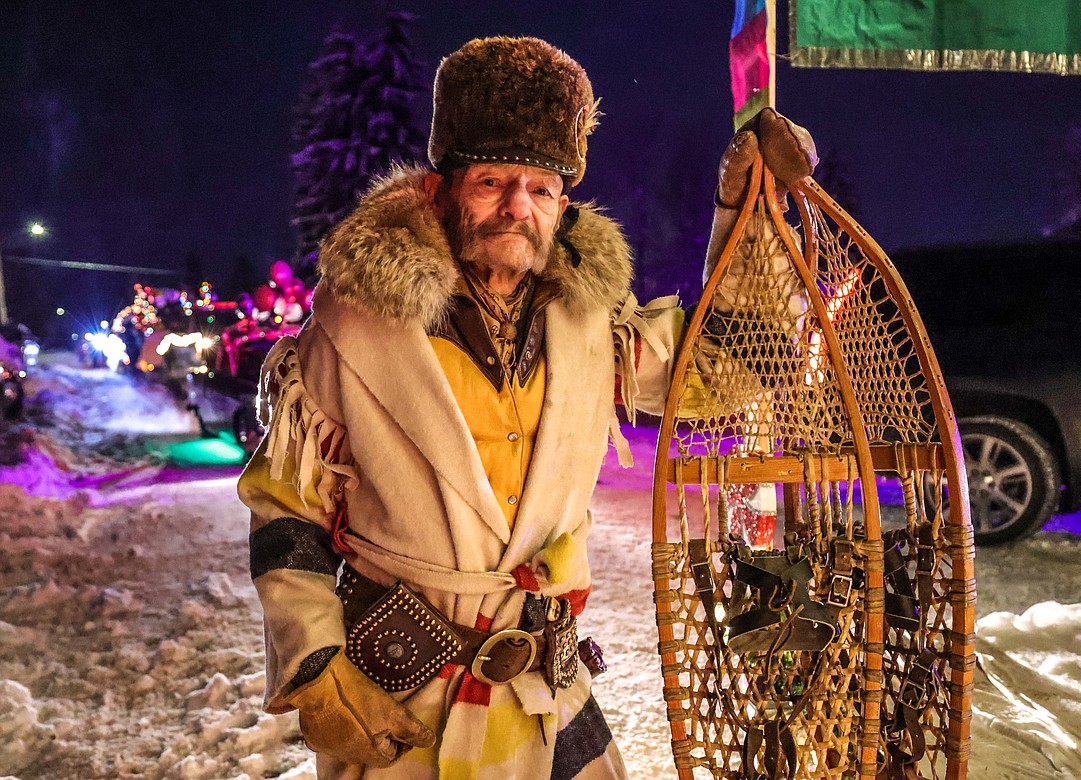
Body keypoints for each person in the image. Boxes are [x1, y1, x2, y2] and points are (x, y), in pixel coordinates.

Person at [238, 36, 816, 780]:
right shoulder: (353, 331)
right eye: (491, 182)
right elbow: (286, 509)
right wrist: (315, 666)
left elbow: (735, 367)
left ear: (562, 205)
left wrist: (750, 211)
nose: (517, 207)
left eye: (540, 189)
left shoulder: (591, 325)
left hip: (545, 685)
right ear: (445, 189)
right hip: (400, 700)